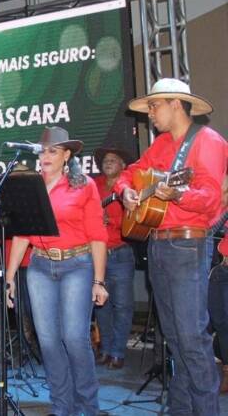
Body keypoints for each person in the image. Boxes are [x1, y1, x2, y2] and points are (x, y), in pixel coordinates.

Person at [118, 78, 226, 415]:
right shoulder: (161, 145)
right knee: (174, 338)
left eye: (154, 105)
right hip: (160, 246)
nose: (149, 113)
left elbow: (210, 200)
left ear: (176, 104)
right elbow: (132, 172)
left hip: (188, 244)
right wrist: (126, 191)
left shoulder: (208, 141)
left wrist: (178, 193)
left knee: (192, 339)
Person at [5, 126, 109, 416]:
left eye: (53, 150)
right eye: (43, 150)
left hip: (77, 265)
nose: (46, 155)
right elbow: (22, 235)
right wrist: (11, 277)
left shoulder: (83, 185)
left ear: (67, 155)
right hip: (39, 266)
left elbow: (97, 236)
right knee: (48, 340)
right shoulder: (31, 185)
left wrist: (99, 281)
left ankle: (88, 406)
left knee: (74, 338)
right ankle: (62, 407)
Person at [92, 147, 137, 370]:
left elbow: (136, 220)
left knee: (123, 306)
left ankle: (118, 352)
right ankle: (106, 348)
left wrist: (112, 221)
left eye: (113, 160)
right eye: (105, 160)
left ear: (123, 165)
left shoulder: (129, 188)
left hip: (120, 253)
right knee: (101, 306)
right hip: (97, 255)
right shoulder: (94, 185)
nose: (108, 163)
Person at [209, 175, 228, 393]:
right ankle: (226, 371)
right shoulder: (221, 202)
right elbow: (210, 229)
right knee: (222, 322)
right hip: (222, 269)